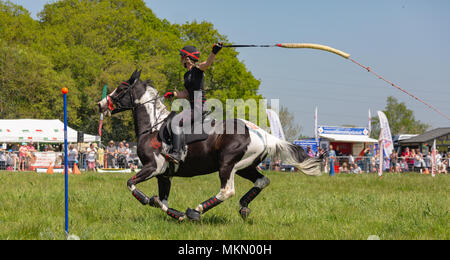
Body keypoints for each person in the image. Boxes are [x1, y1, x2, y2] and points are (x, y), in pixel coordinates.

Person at [163, 43, 223, 164]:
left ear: (187, 58)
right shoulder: (186, 75)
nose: (180, 59)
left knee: (176, 122)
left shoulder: (197, 69)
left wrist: (214, 52)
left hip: (199, 107)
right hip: (191, 107)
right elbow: (185, 94)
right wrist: (173, 94)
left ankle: (177, 154)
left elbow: (207, 64)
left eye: (182, 56)